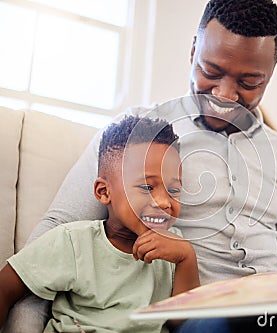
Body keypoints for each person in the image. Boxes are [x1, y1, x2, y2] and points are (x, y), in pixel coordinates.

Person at [3, 0, 277, 332]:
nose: (224, 95)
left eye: (249, 81)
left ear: (272, 70)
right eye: (210, 71)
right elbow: (54, 237)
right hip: (202, 312)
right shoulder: (138, 138)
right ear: (193, 51)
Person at [0, 116, 199, 332]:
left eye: (174, 190)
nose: (164, 202)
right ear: (104, 192)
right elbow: (4, 288)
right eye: (147, 188)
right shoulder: (74, 242)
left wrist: (186, 259)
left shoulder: (175, 249)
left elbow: (182, 322)